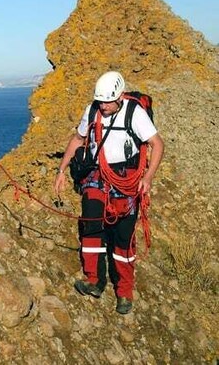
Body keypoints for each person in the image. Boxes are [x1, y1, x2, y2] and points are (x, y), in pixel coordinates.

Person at [55, 71, 164, 314]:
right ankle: (94, 280)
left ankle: (124, 292)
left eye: (107, 102)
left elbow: (157, 144)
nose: (103, 106)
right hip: (97, 177)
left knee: (122, 239)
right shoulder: (92, 110)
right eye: (100, 101)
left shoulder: (134, 113)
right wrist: (61, 170)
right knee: (92, 227)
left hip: (126, 180)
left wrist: (148, 177)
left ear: (119, 97)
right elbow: (77, 139)